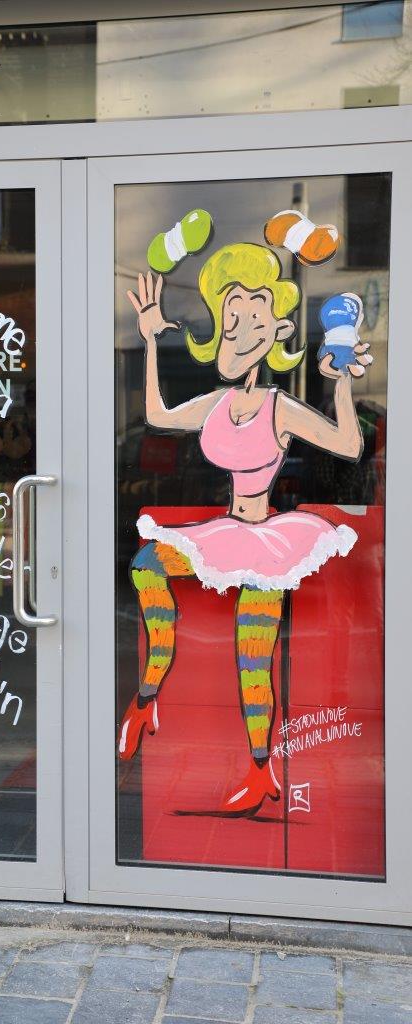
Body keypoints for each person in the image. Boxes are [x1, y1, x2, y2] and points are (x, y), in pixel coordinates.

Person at [119, 243, 372, 816]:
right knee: (147, 566)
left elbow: (346, 443)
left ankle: (260, 771)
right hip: (225, 533)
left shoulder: (279, 406)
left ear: (277, 330)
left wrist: (340, 381)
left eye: (254, 320)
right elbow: (158, 415)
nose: (238, 332)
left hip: (269, 543)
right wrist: (152, 340)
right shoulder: (217, 400)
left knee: (252, 659)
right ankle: (147, 699)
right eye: (230, 321)